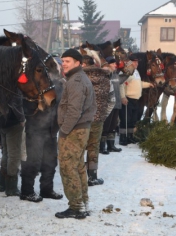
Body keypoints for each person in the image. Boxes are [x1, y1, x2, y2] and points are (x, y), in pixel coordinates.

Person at [55, 49, 96, 219]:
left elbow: (74, 110)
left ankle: (76, 207)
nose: (64, 64)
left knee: (68, 167)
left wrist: (64, 130)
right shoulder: (75, 78)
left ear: (78, 63)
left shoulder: (76, 81)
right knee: (78, 167)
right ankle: (82, 203)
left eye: (68, 61)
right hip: (79, 129)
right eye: (63, 61)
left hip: (73, 130)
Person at [20, 75, 64, 202]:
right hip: (34, 130)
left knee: (50, 162)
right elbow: (24, 107)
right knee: (32, 161)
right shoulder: (31, 86)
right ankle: (26, 191)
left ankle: (47, 189)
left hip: (51, 130)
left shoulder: (58, 84)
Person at [81, 55, 114, 186]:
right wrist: (102, 115)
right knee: (93, 147)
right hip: (98, 120)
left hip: (80, 121)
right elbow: (112, 100)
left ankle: (79, 175)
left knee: (79, 147)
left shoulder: (78, 79)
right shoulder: (106, 79)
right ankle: (92, 176)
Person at [0, 92, 25, 196]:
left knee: (6, 153)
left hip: (1, 122)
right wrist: (21, 118)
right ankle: (11, 187)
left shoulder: (1, 81)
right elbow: (16, 102)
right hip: (13, 122)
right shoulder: (13, 84)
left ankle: (2, 184)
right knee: (14, 154)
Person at [119, 54, 154, 145]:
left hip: (136, 99)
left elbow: (138, 83)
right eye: (134, 62)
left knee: (133, 120)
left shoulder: (136, 72)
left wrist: (148, 84)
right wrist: (123, 97)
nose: (136, 63)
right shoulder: (126, 71)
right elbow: (121, 84)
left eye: (137, 62)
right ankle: (123, 138)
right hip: (128, 99)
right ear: (129, 62)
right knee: (125, 119)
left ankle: (130, 136)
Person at [102, 57, 124, 153]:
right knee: (106, 126)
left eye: (116, 64)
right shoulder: (106, 74)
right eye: (113, 64)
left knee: (113, 126)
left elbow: (123, 78)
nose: (115, 65)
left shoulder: (116, 75)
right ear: (108, 65)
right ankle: (102, 146)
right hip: (108, 104)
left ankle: (111, 145)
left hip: (117, 104)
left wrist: (129, 70)